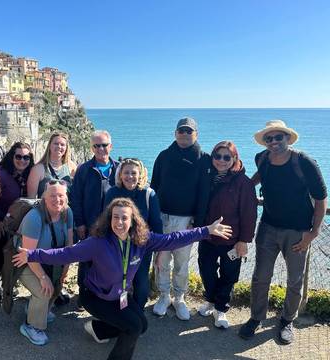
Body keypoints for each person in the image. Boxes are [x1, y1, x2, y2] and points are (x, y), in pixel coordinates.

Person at [13, 198, 232, 360]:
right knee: (133, 328)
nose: (119, 222)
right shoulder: (97, 243)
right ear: (109, 220)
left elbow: (172, 239)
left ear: (132, 220)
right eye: (115, 217)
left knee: (142, 325)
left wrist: (205, 230)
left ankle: (98, 330)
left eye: (124, 218)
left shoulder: (142, 240)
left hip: (120, 297)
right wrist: (33, 255)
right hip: (95, 297)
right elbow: (65, 253)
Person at [239, 120, 327, 344]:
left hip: (298, 231)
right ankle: (256, 317)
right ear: (265, 142)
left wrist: (313, 232)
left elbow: (321, 198)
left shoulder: (304, 162)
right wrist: (245, 187)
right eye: (269, 138)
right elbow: (261, 175)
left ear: (288, 138)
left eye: (279, 137)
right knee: (260, 277)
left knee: (294, 280)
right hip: (267, 227)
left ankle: (287, 320)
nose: (274, 142)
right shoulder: (262, 158)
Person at [150, 117, 211, 319]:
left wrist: (199, 223)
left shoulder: (203, 158)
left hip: (187, 220)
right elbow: (154, 185)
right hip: (162, 216)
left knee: (182, 263)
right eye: (181, 131)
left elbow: (204, 193)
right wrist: (153, 216)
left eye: (189, 131)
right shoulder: (164, 156)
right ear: (175, 133)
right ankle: (164, 296)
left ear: (196, 134)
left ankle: (179, 298)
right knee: (162, 260)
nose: (184, 134)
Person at [197, 141, 257, 329]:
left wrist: (244, 241)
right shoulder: (207, 177)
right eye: (217, 156)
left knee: (229, 275)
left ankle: (221, 308)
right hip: (208, 235)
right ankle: (211, 300)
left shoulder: (243, 182)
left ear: (234, 159)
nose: (221, 161)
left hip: (231, 238)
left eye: (226, 157)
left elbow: (249, 214)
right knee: (206, 270)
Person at [17, 181, 73, 346]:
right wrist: (42, 277)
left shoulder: (67, 212)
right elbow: (29, 255)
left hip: (52, 261)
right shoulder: (34, 217)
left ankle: (36, 308)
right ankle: (30, 326)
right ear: (44, 198)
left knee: (56, 286)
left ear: (66, 198)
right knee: (44, 290)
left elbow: (69, 245)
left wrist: (64, 271)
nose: (57, 199)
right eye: (52, 196)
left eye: (61, 195)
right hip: (26, 262)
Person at [104, 158, 162, 309]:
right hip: (117, 246)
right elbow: (105, 220)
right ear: (120, 175)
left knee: (140, 280)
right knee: (118, 278)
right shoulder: (112, 193)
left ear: (140, 174)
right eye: (126, 173)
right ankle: (118, 309)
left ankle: (137, 311)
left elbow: (156, 224)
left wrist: (160, 253)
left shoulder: (149, 194)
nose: (130, 176)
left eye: (134, 173)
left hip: (141, 246)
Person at [70, 130, 119, 306]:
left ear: (110, 146)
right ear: (92, 147)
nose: (100, 149)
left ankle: (104, 295)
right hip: (89, 226)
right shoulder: (84, 170)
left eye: (104, 145)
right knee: (86, 262)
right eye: (96, 146)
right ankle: (84, 296)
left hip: (113, 227)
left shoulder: (119, 169)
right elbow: (75, 198)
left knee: (109, 262)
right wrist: (80, 223)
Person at [0, 142, 34, 301]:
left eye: (26, 157)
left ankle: (7, 283)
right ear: (11, 157)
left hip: (19, 225)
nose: (22, 160)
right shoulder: (0, 174)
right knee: (0, 255)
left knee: (14, 254)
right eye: (18, 156)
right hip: (0, 223)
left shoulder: (28, 175)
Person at [26, 132, 76, 198]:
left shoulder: (71, 167)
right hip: (44, 207)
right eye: (56, 143)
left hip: (67, 207)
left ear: (66, 148)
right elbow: (31, 199)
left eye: (62, 145)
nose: (59, 146)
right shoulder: (38, 169)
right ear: (49, 146)